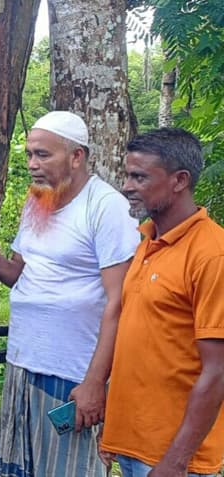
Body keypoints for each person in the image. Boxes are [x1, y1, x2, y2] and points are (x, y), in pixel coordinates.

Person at [0, 111, 140, 477]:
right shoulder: (38, 202)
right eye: (29, 154)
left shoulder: (106, 207)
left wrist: (95, 384)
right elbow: (22, 276)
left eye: (43, 155)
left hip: (72, 374)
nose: (32, 164)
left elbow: (120, 303)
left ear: (76, 156)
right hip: (23, 363)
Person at [99, 128, 224, 477]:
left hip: (173, 459)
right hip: (134, 446)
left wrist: (176, 460)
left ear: (179, 180)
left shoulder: (212, 255)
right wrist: (114, 430)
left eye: (139, 176)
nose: (127, 185)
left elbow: (218, 370)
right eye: (127, 175)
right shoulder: (147, 242)